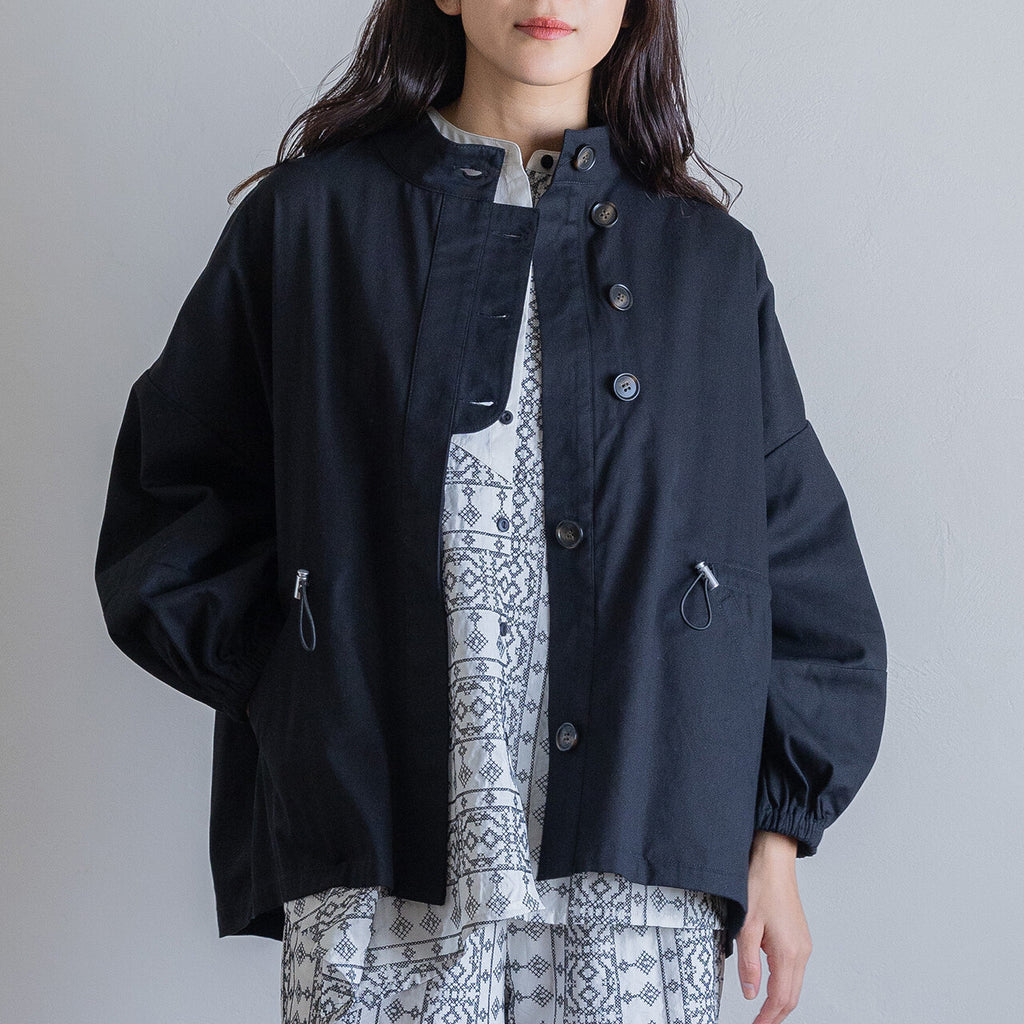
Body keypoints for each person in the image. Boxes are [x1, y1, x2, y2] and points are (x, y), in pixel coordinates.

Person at [94, 2, 887, 1023]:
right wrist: (305, 688)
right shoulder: (312, 225)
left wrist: (775, 841)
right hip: (381, 866)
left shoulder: (709, 267)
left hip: (635, 884)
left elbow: (800, 575)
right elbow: (170, 497)